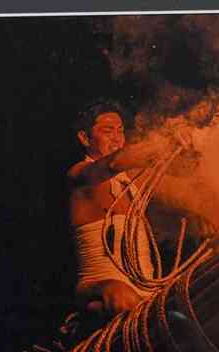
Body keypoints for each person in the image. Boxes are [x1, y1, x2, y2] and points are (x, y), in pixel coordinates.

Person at [68, 100, 182, 317]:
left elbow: (190, 194)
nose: (117, 137)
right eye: (108, 131)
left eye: (120, 130)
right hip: (100, 289)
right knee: (121, 294)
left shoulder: (135, 178)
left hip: (145, 292)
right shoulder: (79, 173)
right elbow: (113, 163)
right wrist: (164, 143)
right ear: (84, 138)